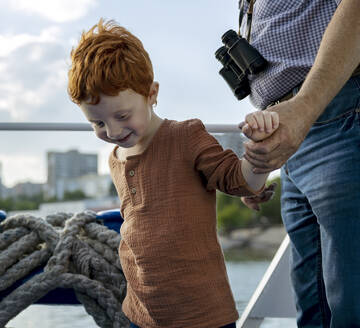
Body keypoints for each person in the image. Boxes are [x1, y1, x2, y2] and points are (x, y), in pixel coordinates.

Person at [67, 19, 279, 328]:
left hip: (203, 316)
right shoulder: (115, 158)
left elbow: (239, 180)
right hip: (140, 314)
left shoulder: (186, 136)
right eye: (97, 123)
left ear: (151, 93)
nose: (112, 130)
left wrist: (259, 155)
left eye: (122, 115)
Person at [235, 1, 360, 326]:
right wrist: (261, 161)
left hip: (339, 115)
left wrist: (303, 109)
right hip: (298, 132)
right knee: (313, 313)